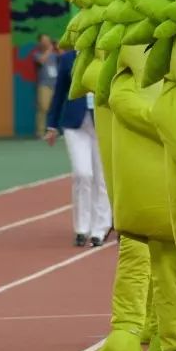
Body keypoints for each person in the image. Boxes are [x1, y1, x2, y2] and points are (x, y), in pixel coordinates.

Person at [44, 49, 111, 246]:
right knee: (83, 174)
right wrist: (52, 125)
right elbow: (59, 93)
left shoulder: (107, 54)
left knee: (102, 178)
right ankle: (82, 228)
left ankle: (100, 228)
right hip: (75, 125)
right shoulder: (67, 59)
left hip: (102, 123)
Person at [33, 33, 59, 138]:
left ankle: (53, 132)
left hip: (55, 84)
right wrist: (50, 49)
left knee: (55, 108)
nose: (47, 43)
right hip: (44, 85)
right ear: (40, 43)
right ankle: (40, 132)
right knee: (43, 108)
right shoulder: (36, 54)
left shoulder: (55, 55)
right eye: (44, 41)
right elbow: (42, 61)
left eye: (48, 40)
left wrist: (58, 47)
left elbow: (64, 57)